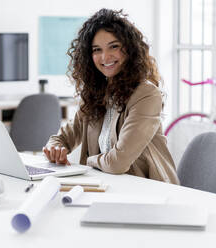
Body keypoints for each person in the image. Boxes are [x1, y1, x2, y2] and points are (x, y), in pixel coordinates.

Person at [43, 8, 179, 184]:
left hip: (148, 189)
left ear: (129, 49)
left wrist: (90, 161)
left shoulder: (146, 95)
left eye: (114, 46)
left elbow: (117, 163)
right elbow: (60, 138)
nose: (105, 56)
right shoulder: (94, 94)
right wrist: (54, 150)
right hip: (108, 186)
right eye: (96, 49)